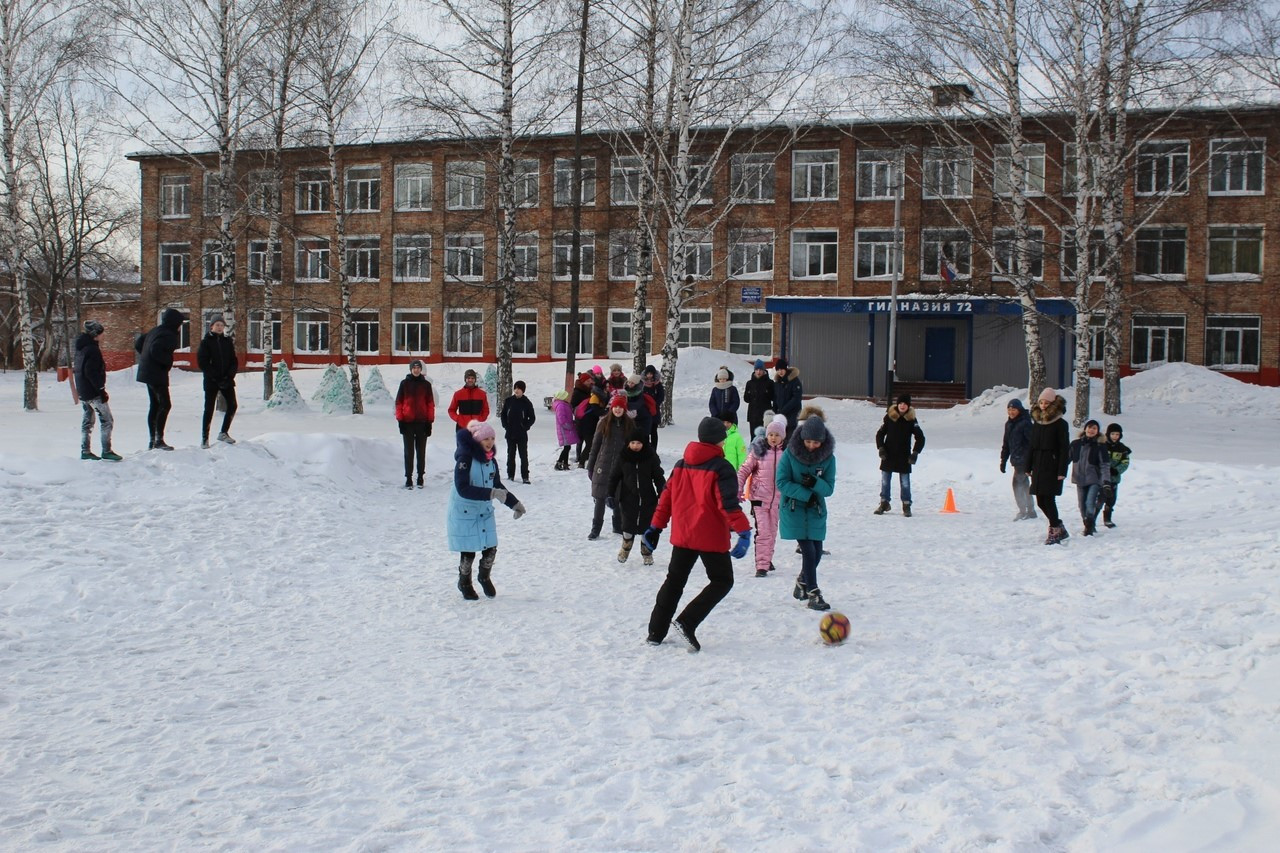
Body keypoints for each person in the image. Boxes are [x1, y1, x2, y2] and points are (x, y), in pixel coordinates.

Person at [643, 417, 753, 651]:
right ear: (719, 441)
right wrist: (744, 531)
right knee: (722, 581)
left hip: (684, 535)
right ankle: (686, 622)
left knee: (674, 582)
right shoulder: (721, 467)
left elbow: (666, 499)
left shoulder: (682, 464)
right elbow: (728, 505)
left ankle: (655, 631)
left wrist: (655, 527)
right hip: (710, 536)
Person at [448, 420, 526, 599]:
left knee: (490, 547)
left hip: (483, 510)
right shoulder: (465, 459)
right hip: (465, 511)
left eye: (492, 438)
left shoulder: (491, 461)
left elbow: (497, 484)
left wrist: (514, 503)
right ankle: (464, 581)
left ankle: (484, 577)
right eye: (486, 439)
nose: (490, 442)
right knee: (468, 550)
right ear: (477, 440)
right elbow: (462, 488)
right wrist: (491, 493)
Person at [776, 407, 837, 611]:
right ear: (802, 438)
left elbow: (828, 488)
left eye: (816, 442)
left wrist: (815, 483)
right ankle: (814, 592)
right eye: (808, 441)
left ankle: (802, 582)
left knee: (817, 551)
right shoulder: (790, 455)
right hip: (793, 509)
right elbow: (781, 482)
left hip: (816, 510)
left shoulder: (828, 459)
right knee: (809, 551)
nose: (811, 446)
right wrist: (805, 493)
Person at [737, 414, 787, 578]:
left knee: (772, 531)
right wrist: (738, 488)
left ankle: (767, 559)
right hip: (759, 498)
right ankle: (761, 566)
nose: (773, 438)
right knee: (763, 532)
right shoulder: (758, 452)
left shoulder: (786, 455)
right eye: (771, 434)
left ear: (782, 437)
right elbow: (743, 470)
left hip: (778, 500)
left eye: (777, 435)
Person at [608, 429, 666, 565]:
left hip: (648, 498)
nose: (635, 446)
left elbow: (658, 477)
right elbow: (614, 477)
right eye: (632, 443)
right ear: (628, 443)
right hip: (628, 498)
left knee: (647, 527)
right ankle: (625, 548)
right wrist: (610, 494)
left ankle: (646, 552)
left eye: (638, 443)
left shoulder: (650, 457)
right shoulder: (623, 457)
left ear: (644, 443)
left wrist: (662, 493)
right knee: (628, 526)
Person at [586, 394, 636, 539]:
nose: (618, 409)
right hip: (603, 465)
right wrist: (591, 466)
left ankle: (618, 525)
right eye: (616, 407)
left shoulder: (630, 425)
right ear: (612, 408)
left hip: (621, 467)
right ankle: (596, 528)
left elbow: (634, 447)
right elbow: (595, 446)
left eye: (621, 407)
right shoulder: (603, 423)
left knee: (619, 496)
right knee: (600, 498)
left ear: (624, 408)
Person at [135, 307, 184, 450]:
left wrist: (145, 358)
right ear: (175, 323)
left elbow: (139, 343)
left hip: (147, 372)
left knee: (155, 405)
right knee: (165, 405)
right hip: (156, 374)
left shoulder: (155, 330)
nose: (181, 326)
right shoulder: (169, 335)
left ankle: (153, 440)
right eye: (180, 323)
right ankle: (159, 440)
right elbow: (155, 349)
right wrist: (166, 362)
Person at [1029, 386, 1071, 545]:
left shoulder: (1060, 423)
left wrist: (1062, 470)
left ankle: (1054, 529)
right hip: (1038, 464)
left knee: (1049, 499)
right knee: (1040, 500)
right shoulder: (1037, 422)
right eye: (1041, 402)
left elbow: (1064, 448)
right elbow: (1031, 446)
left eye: (1046, 402)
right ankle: (1059, 526)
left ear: (1053, 403)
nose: (1043, 405)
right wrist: (1028, 466)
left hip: (1052, 465)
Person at [74, 320, 121, 461]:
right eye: (101, 333)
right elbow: (91, 371)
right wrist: (101, 390)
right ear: (95, 335)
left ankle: (85, 450)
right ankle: (106, 450)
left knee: (88, 421)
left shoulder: (81, 347)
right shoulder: (92, 350)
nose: (103, 336)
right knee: (107, 420)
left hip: (83, 390)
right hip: (93, 392)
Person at [874, 394, 925, 517]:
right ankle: (884, 503)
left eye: (905, 404)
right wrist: (881, 448)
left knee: (905, 482)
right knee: (885, 480)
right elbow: (880, 434)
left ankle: (906, 505)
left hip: (904, 456)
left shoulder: (911, 420)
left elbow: (920, 438)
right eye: (900, 403)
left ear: (908, 406)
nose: (902, 406)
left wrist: (915, 453)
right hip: (888, 454)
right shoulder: (890, 417)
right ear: (898, 404)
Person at [196, 315, 239, 448]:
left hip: (227, 380)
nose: (220, 327)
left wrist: (229, 376)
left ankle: (224, 432)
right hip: (211, 381)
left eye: (222, 325)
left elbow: (234, 360)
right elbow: (203, 363)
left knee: (232, 405)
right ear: (212, 326)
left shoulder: (227, 341)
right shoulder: (206, 342)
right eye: (217, 325)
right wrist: (216, 377)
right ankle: (205, 438)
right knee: (209, 409)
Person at [394, 360, 435, 488]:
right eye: (414, 368)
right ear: (410, 369)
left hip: (422, 423)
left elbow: (430, 404)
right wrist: (400, 420)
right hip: (408, 423)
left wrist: (429, 422)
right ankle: (408, 477)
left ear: (421, 369)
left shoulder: (426, 385)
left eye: (418, 368)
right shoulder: (405, 384)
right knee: (409, 452)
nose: (416, 370)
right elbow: (399, 403)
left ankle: (420, 476)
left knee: (421, 452)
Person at [1069, 419, 1111, 536]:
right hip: (1079, 478)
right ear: (1085, 428)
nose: (1091, 430)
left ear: (1097, 431)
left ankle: (1089, 527)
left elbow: (1105, 465)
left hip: (1094, 479)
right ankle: (1088, 523)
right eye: (1089, 427)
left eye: (1094, 428)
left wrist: (1106, 481)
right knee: (1081, 505)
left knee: (1089, 503)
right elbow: (1066, 459)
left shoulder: (1100, 446)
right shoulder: (1075, 444)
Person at [1000, 398, 1036, 520]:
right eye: (1009, 409)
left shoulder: (1025, 423)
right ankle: (1030, 510)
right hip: (1016, 460)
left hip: (1024, 460)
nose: (1011, 412)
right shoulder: (1009, 424)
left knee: (1017, 485)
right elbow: (1006, 443)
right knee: (1025, 485)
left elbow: (1033, 442)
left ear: (1019, 410)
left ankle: (1023, 511)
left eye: (1014, 409)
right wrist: (1003, 460)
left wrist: (1031, 460)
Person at [499, 380, 536, 484]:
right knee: (510, 455)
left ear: (523, 390)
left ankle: (525, 476)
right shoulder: (509, 401)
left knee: (523, 455)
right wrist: (505, 425)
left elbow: (532, 418)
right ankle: (510, 475)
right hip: (510, 433)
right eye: (515, 388)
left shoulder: (526, 402)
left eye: (519, 388)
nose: (516, 390)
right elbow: (503, 415)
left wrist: (525, 426)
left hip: (521, 434)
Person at [1101, 423, 1132, 528]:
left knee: (1111, 499)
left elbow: (1125, 462)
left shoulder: (1122, 449)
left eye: (1117, 434)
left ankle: (1108, 518)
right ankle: (1092, 518)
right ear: (1108, 434)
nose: (1115, 436)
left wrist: (1117, 470)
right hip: (1101, 478)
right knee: (1099, 498)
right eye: (1113, 434)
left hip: (1114, 478)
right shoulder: (1102, 446)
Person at [743, 359, 776, 437]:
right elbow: (746, 399)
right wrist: (749, 393)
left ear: (764, 370)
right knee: (754, 436)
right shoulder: (750, 383)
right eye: (756, 369)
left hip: (765, 415)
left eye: (760, 369)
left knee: (765, 436)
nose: (758, 372)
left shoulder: (770, 383)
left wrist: (767, 393)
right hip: (753, 415)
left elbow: (774, 398)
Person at [773, 356, 803, 437]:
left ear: (785, 369)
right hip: (780, 416)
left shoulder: (794, 381)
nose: (780, 372)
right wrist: (775, 411)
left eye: (782, 369)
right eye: (778, 370)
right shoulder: (777, 383)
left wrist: (784, 409)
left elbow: (796, 398)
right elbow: (775, 398)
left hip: (792, 415)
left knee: (790, 438)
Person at [569, 371, 595, 465]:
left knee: (585, 440)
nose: (590, 382)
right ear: (583, 381)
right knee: (581, 440)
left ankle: (581, 458)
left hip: (588, 419)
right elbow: (573, 405)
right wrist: (581, 408)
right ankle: (579, 458)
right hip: (581, 419)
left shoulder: (590, 389)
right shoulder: (577, 391)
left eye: (590, 380)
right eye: (588, 380)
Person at [552, 389, 578, 471]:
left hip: (566, 428)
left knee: (567, 447)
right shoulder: (561, 405)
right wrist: (568, 425)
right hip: (564, 429)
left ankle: (565, 463)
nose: (568, 397)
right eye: (566, 396)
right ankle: (559, 462)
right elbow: (561, 418)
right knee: (566, 447)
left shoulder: (563, 404)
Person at [623, 372, 654, 440]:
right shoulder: (625, 392)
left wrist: (624, 405)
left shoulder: (640, 393)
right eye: (629, 382)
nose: (630, 384)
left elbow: (637, 405)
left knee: (643, 441)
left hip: (643, 420)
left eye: (632, 383)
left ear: (637, 384)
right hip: (633, 420)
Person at [641, 364, 665, 449]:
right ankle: (646, 449)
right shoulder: (642, 384)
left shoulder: (658, 384)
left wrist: (655, 404)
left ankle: (654, 450)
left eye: (651, 374)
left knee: (654, 431)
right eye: (648, 374)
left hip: (654, 411)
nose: (650, 376)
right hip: (644, 410)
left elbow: (661, 396)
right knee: (645, 432)